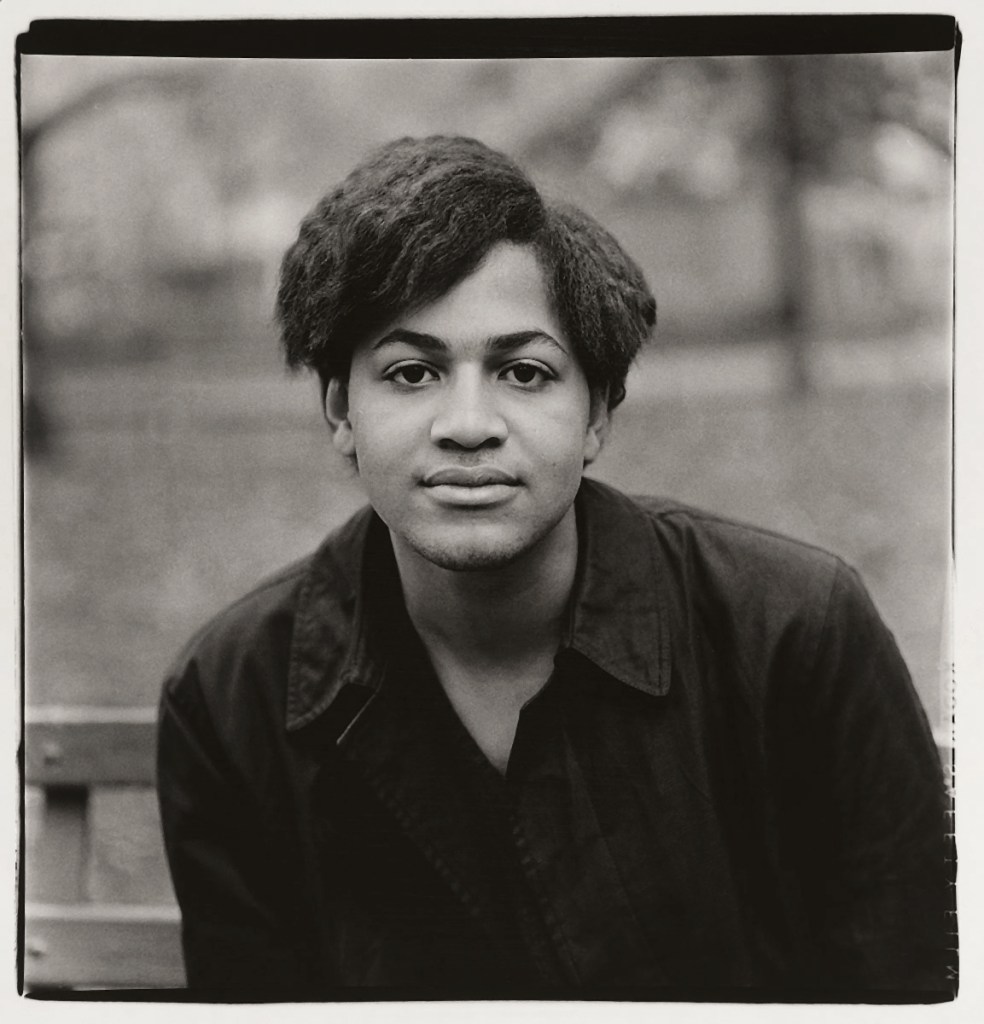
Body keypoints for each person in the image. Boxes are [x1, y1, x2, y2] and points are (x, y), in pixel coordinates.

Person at [157, 135, 954, 999]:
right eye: (413, 371)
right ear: (342, 409)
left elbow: (905, 981)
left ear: (597, 415)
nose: (468, 424)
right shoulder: (231, 694)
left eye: (525, 372)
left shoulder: (795, 632)